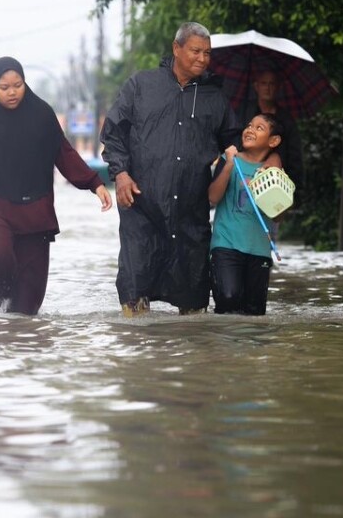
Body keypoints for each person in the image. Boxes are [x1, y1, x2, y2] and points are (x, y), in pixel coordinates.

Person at [0, 57, 113, 315]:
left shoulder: (42, 115)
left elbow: (65, 154)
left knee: (27, 307)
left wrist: (95, 183)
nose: (12, 92)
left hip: (36, 210)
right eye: (4, 87)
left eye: (18, 85)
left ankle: (20, 343)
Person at [100, 22, 241, 316]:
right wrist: (121, 174)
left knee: (193, 303)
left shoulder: (215, 98)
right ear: (176, 49)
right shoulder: (141, 85)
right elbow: (113, 133)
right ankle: (140, 357)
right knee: (135, 293)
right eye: (195, 51)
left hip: (191, 213)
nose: (202, 58)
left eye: (207, 53)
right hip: (142, 207)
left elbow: (234, 144)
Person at [208, 114, 285, 315]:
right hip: (226, 245)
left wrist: (272, 185)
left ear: (273, 141)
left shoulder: (273, 171)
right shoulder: (229, 160)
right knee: (228, 297)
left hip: (258, 249)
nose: (250, 129)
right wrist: (229, 166)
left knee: (254, 313)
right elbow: (212, 197)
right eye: (249, 125)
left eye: (259, 128)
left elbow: (278, 215)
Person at [242, 70, 304, 188]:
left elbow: (294, 155)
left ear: (278, 87)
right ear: (256, 86)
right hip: (246, 176)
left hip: (278, 182)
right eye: (264, 83)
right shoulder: (245, 114)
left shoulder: (286, 119)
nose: (267, 88)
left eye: (272, 84)